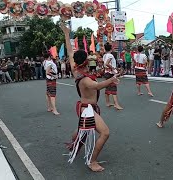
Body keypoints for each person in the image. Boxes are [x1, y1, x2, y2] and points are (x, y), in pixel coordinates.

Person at [60, 21, 119, 172]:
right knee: (105, 132)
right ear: (86, 61)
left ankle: (75, 142)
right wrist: (112, 80)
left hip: (86, 107)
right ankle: (92, 161)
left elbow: (70, 52)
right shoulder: (84, 78)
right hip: (87, 109)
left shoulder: (77, 72)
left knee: (83, 130)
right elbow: (97, 86)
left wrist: (67, 34)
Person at [103, 43, 123, 110]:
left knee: (108, 87)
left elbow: (105, 64)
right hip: (111, 73)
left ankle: (108, 102)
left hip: (106, 72)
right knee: (113, 88)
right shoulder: (110, 55)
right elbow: (107, 63)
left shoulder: (105, 55)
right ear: (111, 48)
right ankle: (116, 104)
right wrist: (113, 69)